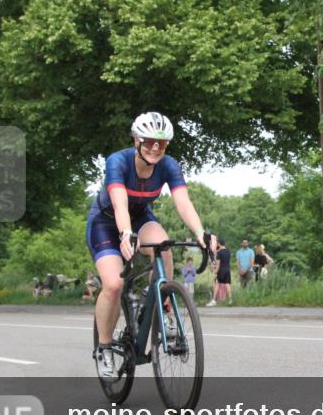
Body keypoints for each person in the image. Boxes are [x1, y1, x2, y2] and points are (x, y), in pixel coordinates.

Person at [86, 112, 214, 380]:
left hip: (142, 218)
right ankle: (105, 347)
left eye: (162, 143)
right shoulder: (117, 161)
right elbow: (119, 203)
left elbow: (183, 202)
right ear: (136, 139)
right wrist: (125, 233)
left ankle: (160, 307)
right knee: (113, 284)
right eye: (148, 141)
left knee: (163, 247)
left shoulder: (168, 165)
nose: (155, 148)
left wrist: (201, 233)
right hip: (107, 223)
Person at [209, 238, 231, 306]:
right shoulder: (228, 251)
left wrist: (216, 272)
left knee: (217, 284)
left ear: (219, 243)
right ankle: (230, 300)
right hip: (227, 269)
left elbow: (218, 264)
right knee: (228, 284)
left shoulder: (219, 252)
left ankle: (213, 300)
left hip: (221, 270)